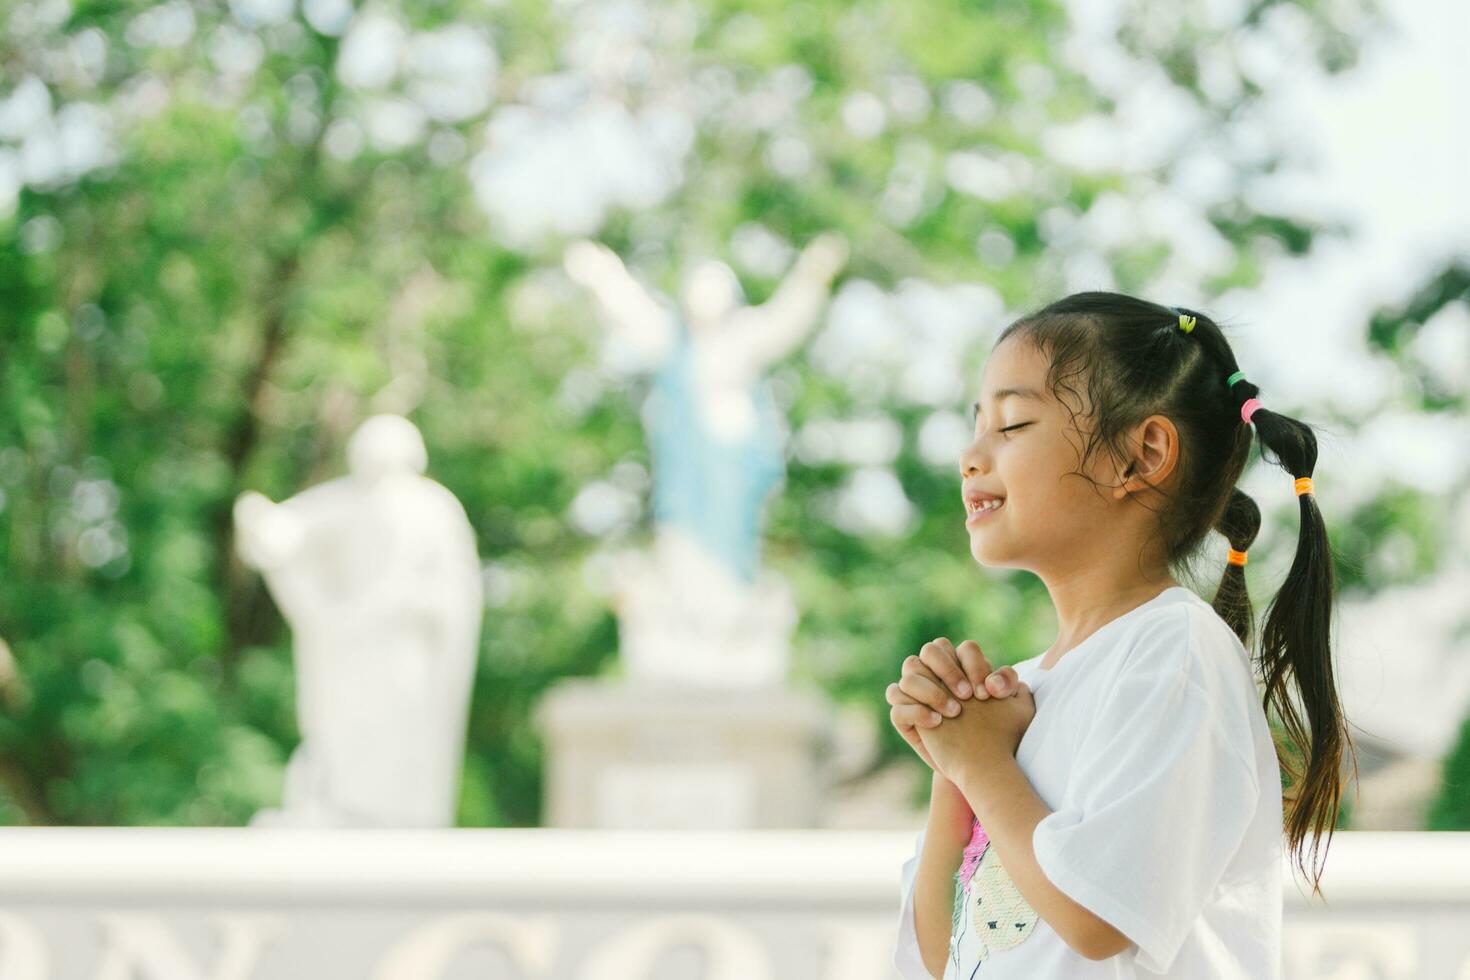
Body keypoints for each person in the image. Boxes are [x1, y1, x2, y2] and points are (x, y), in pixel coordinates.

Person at [885, 292, 1355, 978]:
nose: (970, 455)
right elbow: (939, 953)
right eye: (976, 423)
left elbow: (1097, 917)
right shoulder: (1027, 689)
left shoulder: (1174, 653)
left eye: (1012, 424)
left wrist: (982, 763)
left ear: (1140, 456)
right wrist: (952, 759)